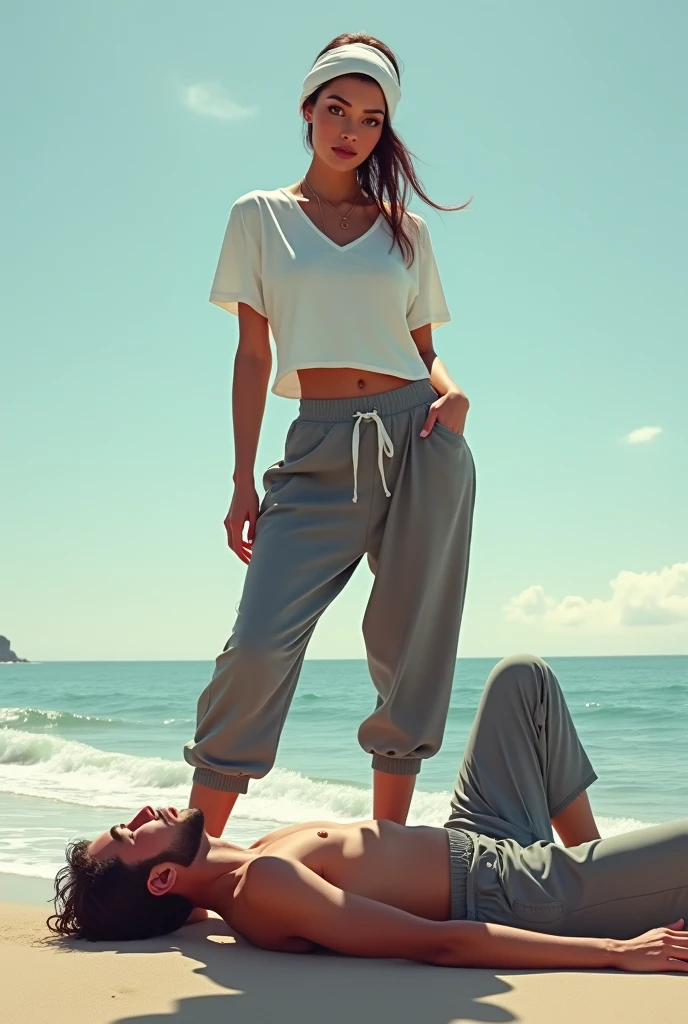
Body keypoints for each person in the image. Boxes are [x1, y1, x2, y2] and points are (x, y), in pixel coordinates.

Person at [184, 31, 476, 838]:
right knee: (257, 646)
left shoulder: (406, 232)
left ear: (386, 131)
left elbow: (425, 350)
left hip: (421, 439)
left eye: (372, 118)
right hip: (317, 446)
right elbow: (252, 353)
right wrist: (243, 479)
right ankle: (193, 849)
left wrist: (454, 399)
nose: (352, 130)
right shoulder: (259, 217)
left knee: (411, 646)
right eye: (338, 109)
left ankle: (387, 847)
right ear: (308, 110)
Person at [50, 656, 688, 973]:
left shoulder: (220, 878)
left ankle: (604, 874)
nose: (140, 813)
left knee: (524, 679)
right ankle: (601, 895)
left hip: (474, 832)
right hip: (514, 892)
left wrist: (151, 909)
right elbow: (435, 943)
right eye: (130, 833)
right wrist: (613, 951)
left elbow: (169, 912)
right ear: (160, 876)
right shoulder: (262, 888)